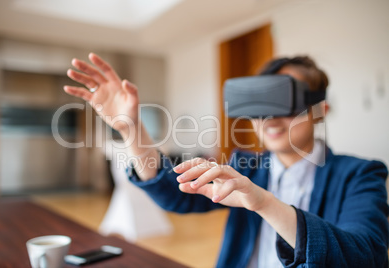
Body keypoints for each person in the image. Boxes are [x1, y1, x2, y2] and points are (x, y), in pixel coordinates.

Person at [65, 53, 389, 267]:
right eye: (262, 103)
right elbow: (173, 192)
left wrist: (264, 203)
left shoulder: (360, 174)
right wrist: (131, 128)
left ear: (321, 111)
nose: (271, 118)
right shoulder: (247, 165)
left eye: (287, 101)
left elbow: (366, 255)